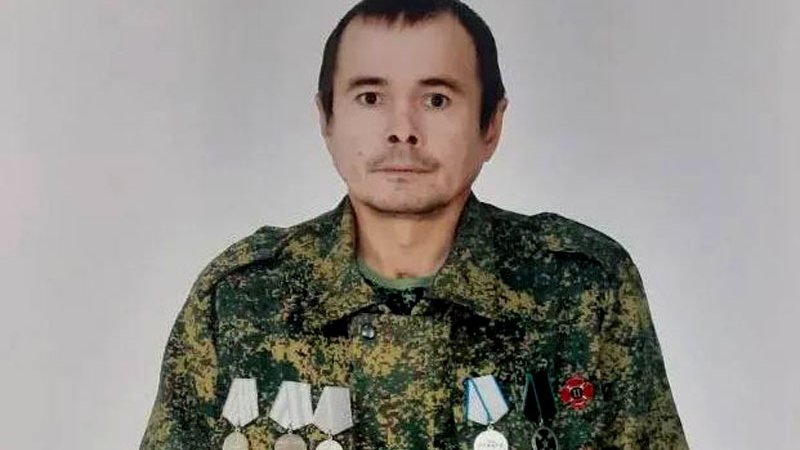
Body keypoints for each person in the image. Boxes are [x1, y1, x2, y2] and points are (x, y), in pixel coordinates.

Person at [140, 1, 689, 449]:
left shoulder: (582, 289)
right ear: (327, 119)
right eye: (370, 97)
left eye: (436, 99)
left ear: (491, 125)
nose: (402, 129)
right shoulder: (242, 297)